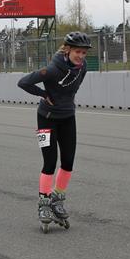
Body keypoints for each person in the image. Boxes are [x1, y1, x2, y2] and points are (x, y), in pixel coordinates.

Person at [17, 32, 92, 228]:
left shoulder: (83, 67)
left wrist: (65, 102)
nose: (81, 56)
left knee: (68, 162)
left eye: (84, 53)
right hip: (46, 119)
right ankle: (44, 204)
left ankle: (57, 201)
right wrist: (43, 94)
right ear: (67, 50)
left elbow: (72, 89)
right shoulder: (52, 69)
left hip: (68, 117)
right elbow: (23, 82)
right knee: (50, 162)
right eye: (77, 52)